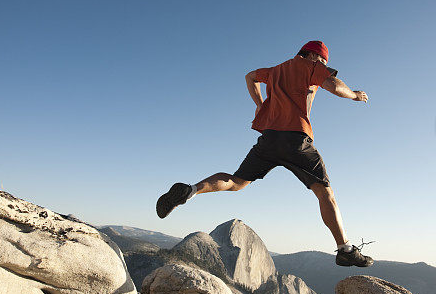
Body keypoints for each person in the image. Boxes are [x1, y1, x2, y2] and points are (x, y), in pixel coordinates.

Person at [156, 40, 373, 267]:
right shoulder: (310, 66)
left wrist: (260, 105)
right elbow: (334, 86)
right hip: (297, 139)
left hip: (269, 138)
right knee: (325, 193)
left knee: (237, 181)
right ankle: (345, 249)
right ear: (312, 56)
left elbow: (250, 76)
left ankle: (190, 190)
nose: (323, 66)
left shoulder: (276, 70)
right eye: (322, 62)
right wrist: (355, 95)